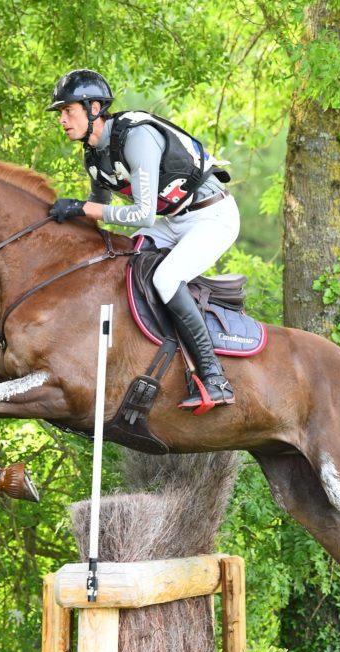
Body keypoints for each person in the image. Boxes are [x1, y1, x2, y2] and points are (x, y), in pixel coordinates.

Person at [46, 69, 238, 413]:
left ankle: (214, 377)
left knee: (166, 277)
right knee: (119, 257)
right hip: (176, 220)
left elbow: (143, 215)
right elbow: (100, 211)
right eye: (60, 112)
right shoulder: (94, 156)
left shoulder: (137, 137)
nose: (62, 119)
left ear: (93, 108)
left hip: (213, 217)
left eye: (68, 111)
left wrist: (81, 208)